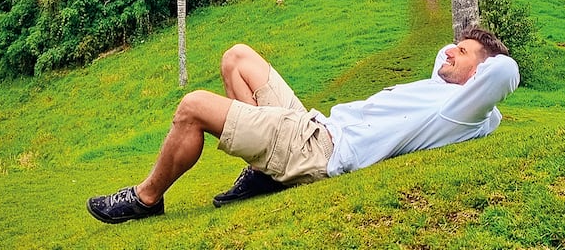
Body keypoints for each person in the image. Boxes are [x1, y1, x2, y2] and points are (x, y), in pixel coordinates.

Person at [86, 27, 521, 223]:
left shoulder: (461, 109)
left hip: (320, 151)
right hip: (313, 125)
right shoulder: (442, 93)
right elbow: (449, 59)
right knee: (237, 58)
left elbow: (505, 73)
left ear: (481, 78)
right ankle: (262, 174)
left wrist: (481, 62)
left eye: (460, 53)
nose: (448, 52)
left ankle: (145, 199)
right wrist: (464, 53)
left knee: (193, 107)